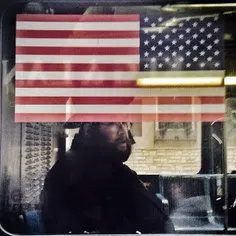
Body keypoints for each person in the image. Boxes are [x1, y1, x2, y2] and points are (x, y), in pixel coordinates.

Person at [41, 122, 174, 234]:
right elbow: (157, 223)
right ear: (88, 130)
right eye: (112, 123)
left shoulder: (73, 163)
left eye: (124, 122)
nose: (122, 130)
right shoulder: (100, 173)